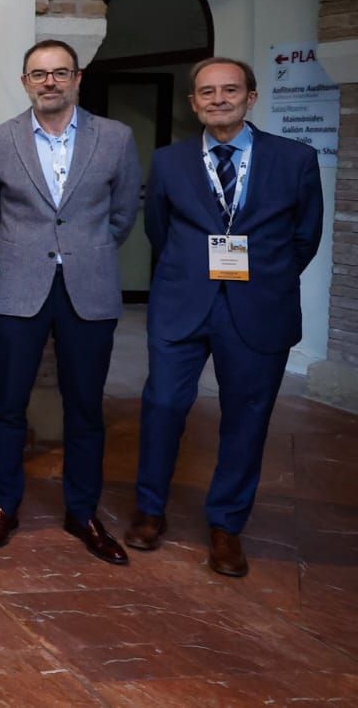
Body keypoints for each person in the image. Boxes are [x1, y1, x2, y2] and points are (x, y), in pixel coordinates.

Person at [125, 57, 321, 577]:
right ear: (193, 103)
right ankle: (150, 509)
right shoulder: (168, 161)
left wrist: (263, 278)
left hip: (259, 307)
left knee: (247, 418)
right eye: (206, 92)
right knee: (163, 405)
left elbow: (305, 237)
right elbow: (159, 230)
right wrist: (195, 273)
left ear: (251, 97)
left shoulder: (295, 159)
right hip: (182, 303)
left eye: (229, 90)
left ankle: (226, 525)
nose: (218, 99)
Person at [0, 39, 142, 565]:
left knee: (87, 408)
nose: (49, 81)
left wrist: (84, 250)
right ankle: (4, 507)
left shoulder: (115, 137)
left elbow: (125, 208)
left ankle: (82, 512)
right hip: (19, 288)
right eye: (39, 74)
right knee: (6, 405)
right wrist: (23, 252)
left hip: (88, 290)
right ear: (25, 82)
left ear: (77, 78)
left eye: (59, 72)